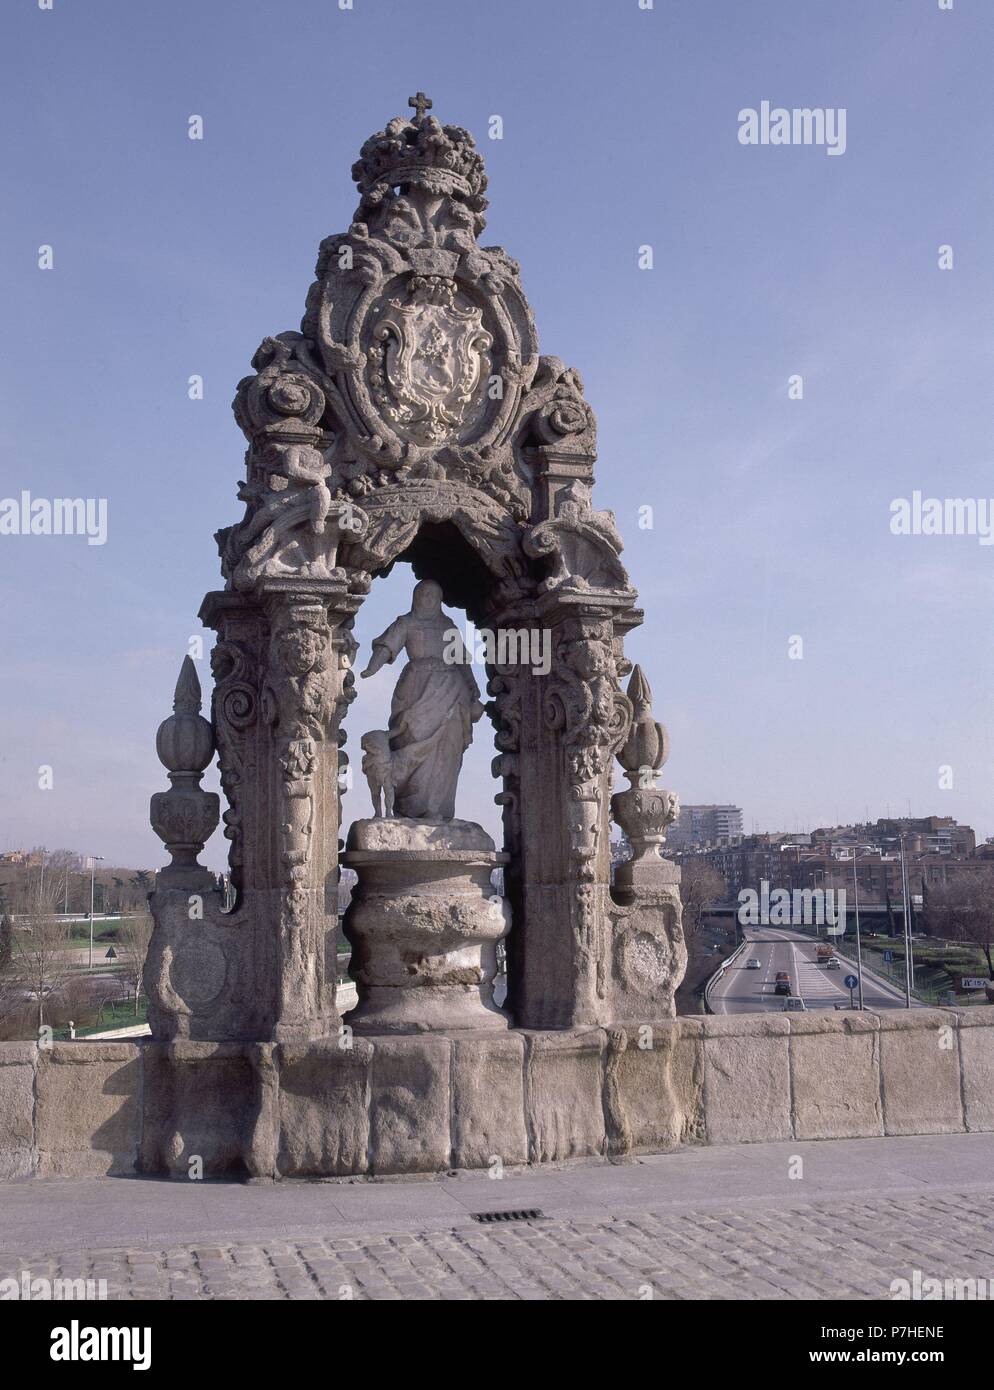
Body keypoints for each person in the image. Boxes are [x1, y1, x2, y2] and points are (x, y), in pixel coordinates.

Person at [360, 579, 483, 820]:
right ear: (415, 597)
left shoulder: (448, 627)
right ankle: (409, 809)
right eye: (423, 594)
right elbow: (386, 646)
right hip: (416, 688)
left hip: (451, 689)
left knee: (447, 748)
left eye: (432, 595)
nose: (427, 599)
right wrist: (371, 668)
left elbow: (463, 663)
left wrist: (473, 691)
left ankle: (437, 810)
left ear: (439, 600)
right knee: (408, 739)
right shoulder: (406, 623)